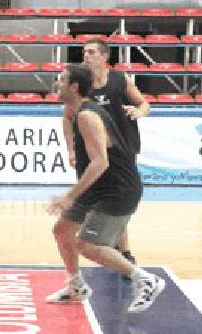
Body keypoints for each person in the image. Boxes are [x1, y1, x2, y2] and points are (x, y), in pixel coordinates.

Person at [46, 64, 165, 314]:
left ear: (74, 86)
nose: (57, 84)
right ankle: (75, 285)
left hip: (118, 188)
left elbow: (101, 162)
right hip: (99, 187)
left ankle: (145, 279)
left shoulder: (88, 116)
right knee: (62, 231)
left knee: (87, 245)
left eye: (61, 80)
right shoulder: (76, 111)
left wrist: (68, 197)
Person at [63, 38, 150, 277]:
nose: (86, 56)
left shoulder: (120, 80)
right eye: (84, 52)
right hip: (94, 151)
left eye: (91, 52)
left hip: (121, 149)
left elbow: (144, 104)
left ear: (104, 57)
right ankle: (117, 251)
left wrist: (137, 111)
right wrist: (71, 149)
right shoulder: (82, 85)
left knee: (114, 199)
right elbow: (67, 116)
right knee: (104, 200)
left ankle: (125, 253)